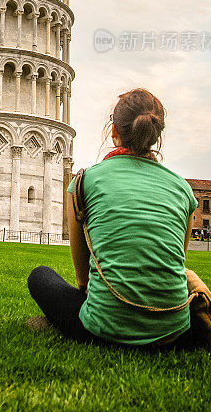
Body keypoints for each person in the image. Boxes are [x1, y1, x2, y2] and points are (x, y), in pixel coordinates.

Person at [27, 88, 198, 349]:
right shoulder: (183, 188)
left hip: (102, 328)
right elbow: (179, 260)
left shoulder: (83, 182)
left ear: (114, 130)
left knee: (40, 276)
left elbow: (82, 279)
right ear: (156, 134)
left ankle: (70, 323)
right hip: (175, 330)